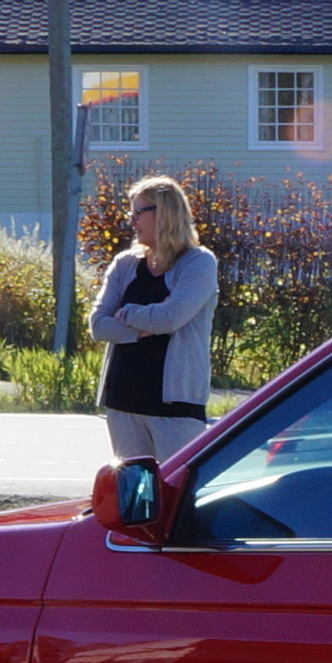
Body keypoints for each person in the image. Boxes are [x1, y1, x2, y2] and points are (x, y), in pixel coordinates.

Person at [92, 174, 221, 461]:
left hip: (175, 407)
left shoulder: (199, 262)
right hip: (122, 400)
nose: (132, 221)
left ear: (165, 213)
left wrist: (127, 312)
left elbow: (170, 318)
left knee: (177, 487)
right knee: (134, 488)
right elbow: (98, 325)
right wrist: (142, 329)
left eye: (138, 212)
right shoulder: (125, 263)